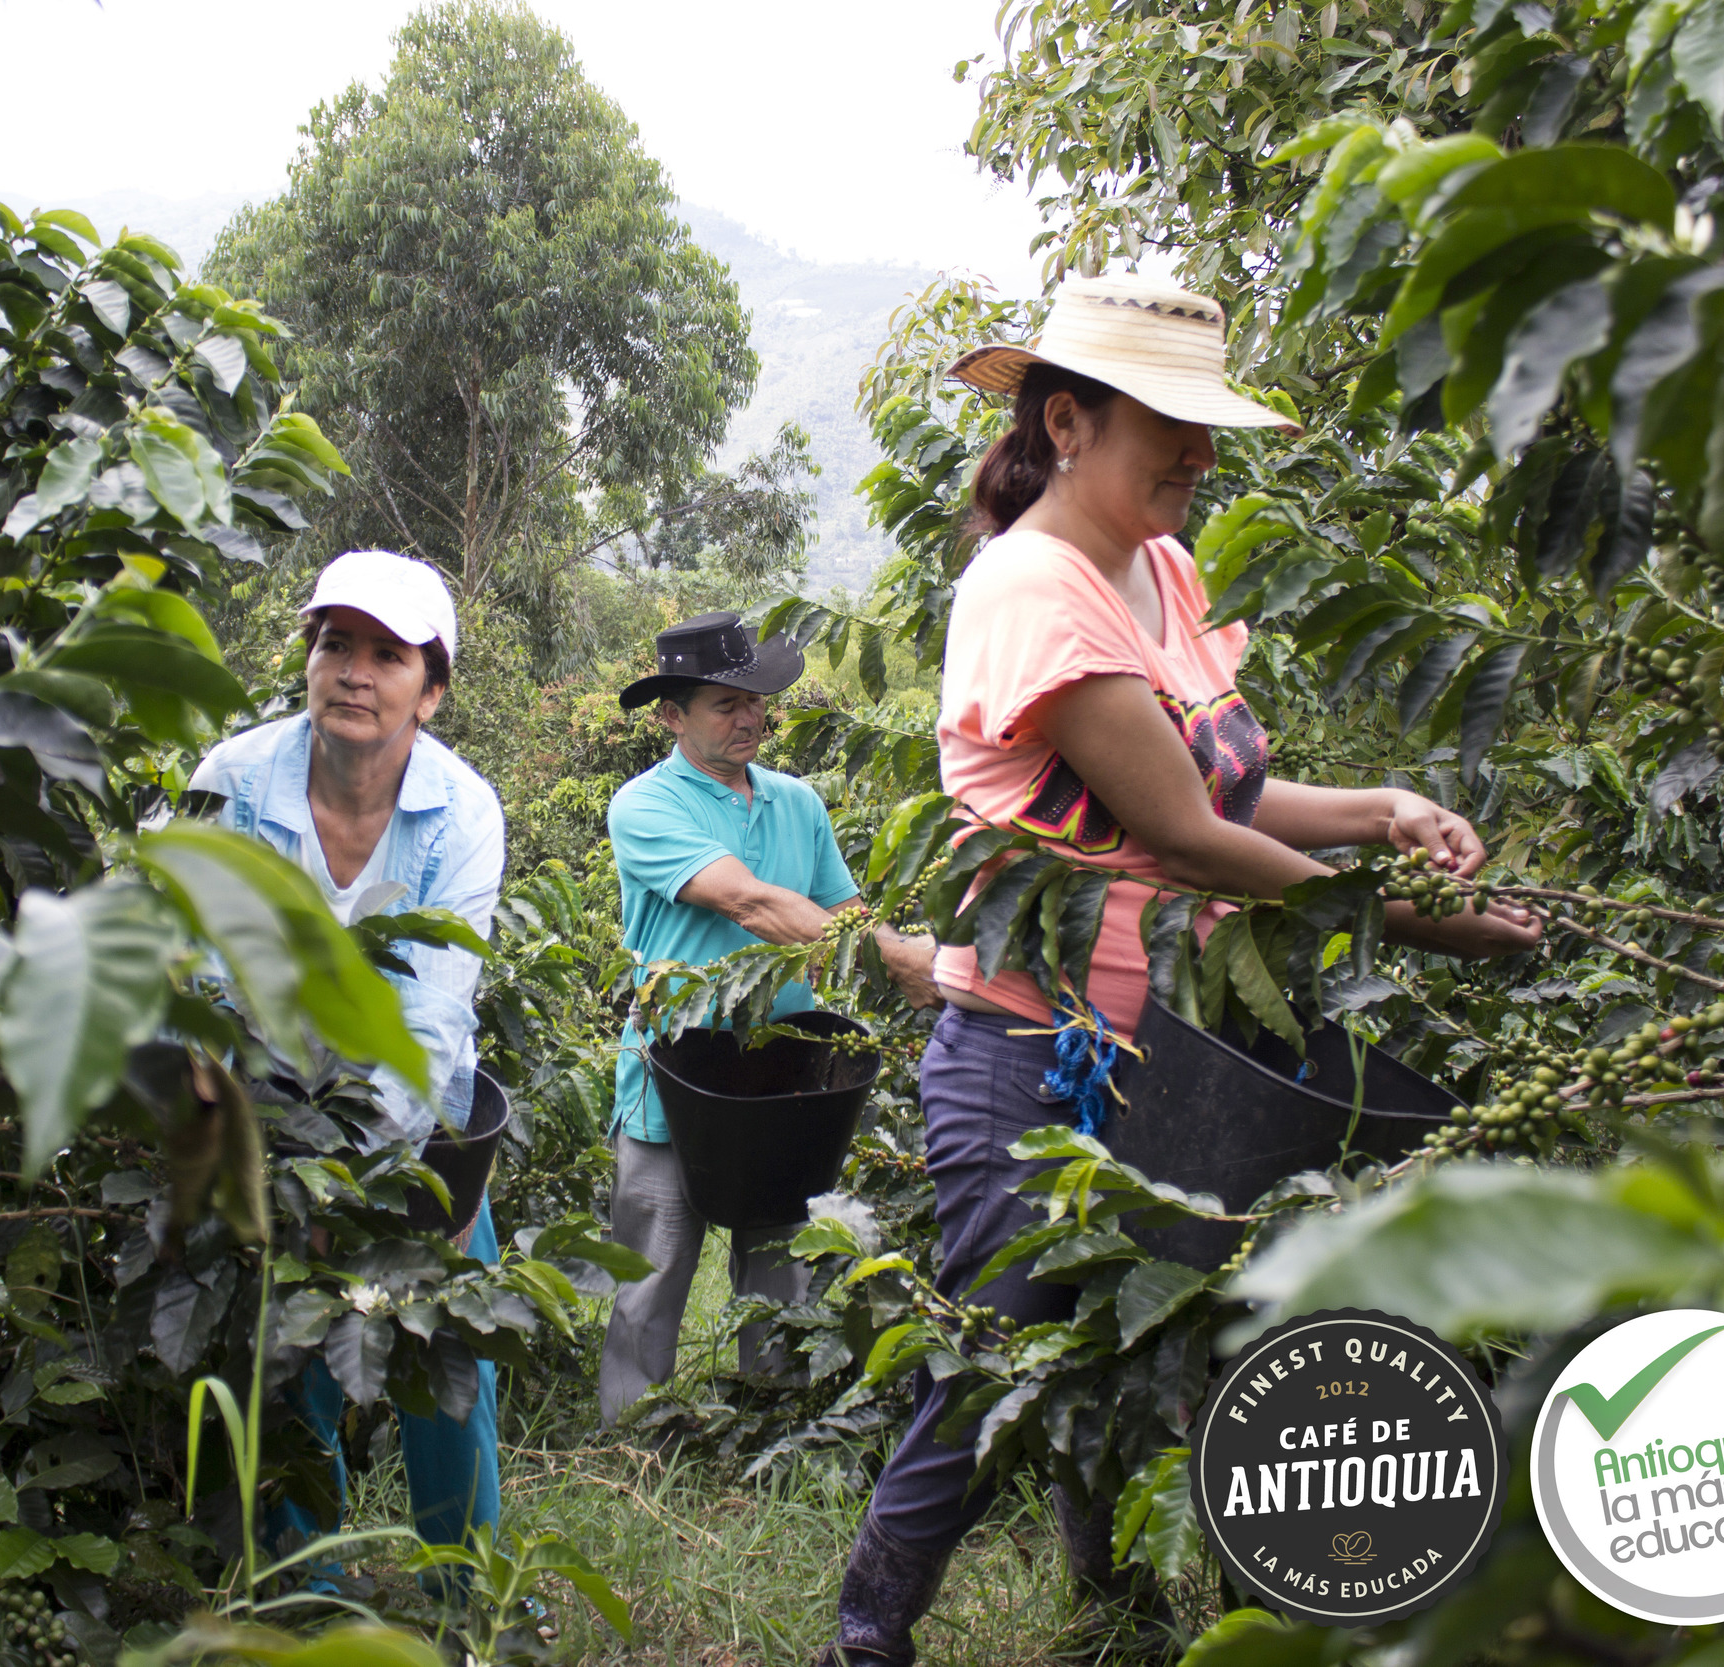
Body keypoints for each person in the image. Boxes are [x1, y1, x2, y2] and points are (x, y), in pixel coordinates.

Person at [816, 274, 1542, 1665]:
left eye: (1208, 430)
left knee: (1162, 1336)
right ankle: (868, 1634)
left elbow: (1234, 786)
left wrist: (1383, 808)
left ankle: (1121, 1617)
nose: (1201, 460)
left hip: (1177, 1047)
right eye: (1173, 427)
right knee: (999, 1358)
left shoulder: (1162, 562)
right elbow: (1182, 837)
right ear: (1071, 421)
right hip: (1030, 1049)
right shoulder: (1036, 587)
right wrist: (1420, 918)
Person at [183, 549, 507, 1564]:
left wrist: (349, 1185)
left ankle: (466, 1595)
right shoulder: (230, 782)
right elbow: (186, 978)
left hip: (417, 1135)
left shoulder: (463, 812)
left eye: (387, 653)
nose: (355, 672)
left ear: (432, 689)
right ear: (307, 661)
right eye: (334, 644)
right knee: (287, 1371)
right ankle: (295, 1598)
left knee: (446, 1369)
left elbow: (431, 1021)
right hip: (260, 1119)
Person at [600, 612, 941, 1428]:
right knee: (653, 1267)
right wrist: (898, 957)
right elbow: (750, 902)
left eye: (757, 701)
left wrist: (917, 958)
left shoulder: (797, 801)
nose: (751, 717)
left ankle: (774, 1425)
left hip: (787, 1075)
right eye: (726, 703)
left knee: (780, 1262)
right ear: (671, 716)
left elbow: (843, 907)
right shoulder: (642, 806)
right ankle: (633, 1438)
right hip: (674, 1077)